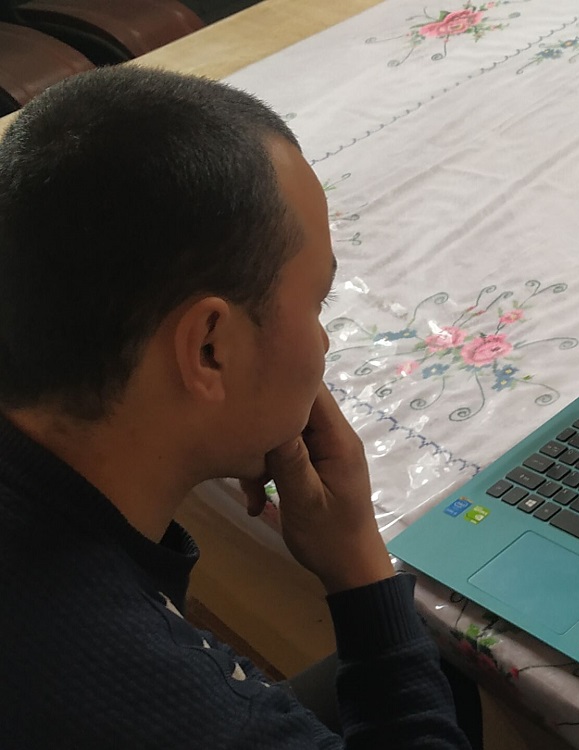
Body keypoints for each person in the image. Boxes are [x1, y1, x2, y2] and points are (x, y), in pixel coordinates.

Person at [0, 66, 475, 749]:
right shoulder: (195, 716)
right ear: (209, 349)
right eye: (316, 304)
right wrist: (358, 562)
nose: (323, 342)